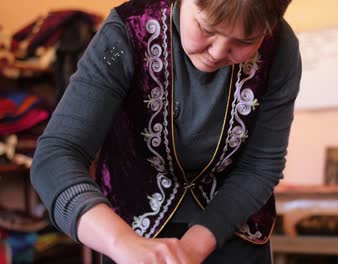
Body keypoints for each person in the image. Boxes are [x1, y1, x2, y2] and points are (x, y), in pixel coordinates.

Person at [30, 0, 301, 263]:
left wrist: (192, 248)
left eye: (244, 42)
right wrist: (121, 242)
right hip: (131, 238)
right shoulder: (127, 33)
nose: (218, 52)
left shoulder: (280, 48)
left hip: (232, 231)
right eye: (206, 29)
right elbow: (57, 155)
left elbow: (260, 167)